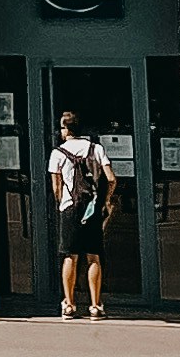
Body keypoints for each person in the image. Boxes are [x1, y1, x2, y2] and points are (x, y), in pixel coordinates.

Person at [47, 108, 112, 319]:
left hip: (69, 207)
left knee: (70, 256)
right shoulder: (96, 149)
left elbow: (56, 186)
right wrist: (105, 200)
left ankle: (70, 304)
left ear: (66, 129)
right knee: (93, 256)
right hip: (92, 207)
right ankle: (95, 306)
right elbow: (111, 178)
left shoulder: (57, 153)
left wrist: (61, 204)